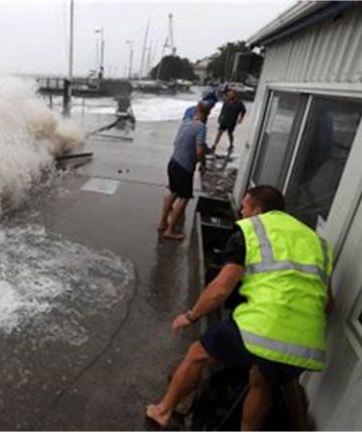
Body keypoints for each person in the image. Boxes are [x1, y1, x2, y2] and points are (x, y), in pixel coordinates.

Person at [146, 185, 335, 430]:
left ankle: (162, 411)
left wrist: (190, 317)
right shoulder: (317, 243)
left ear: (257, 210)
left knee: (197, 354)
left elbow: (221, 289)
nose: (241, 212)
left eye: (244, 207)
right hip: (306, 345)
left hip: (262, 329)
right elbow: (329, 304)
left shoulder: (251, 231)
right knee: (262, 379)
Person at [158, 101, 210, 241]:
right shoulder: (201, 127)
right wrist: (203, 164)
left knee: (173, 193)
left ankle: (162, 223)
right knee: (184, 198)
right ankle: (169, 230)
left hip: (173, 162)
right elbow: (200, 151)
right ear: (208, 113)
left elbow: (176, 143)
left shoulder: (185, 123)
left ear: (195, 110)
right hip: (184, 167)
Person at [211, 89, 246, 157]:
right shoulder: (226, 100)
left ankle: (231, 144)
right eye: (229, 94)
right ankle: (214, 145)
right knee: (219, 132)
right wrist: (220, 117)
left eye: (231, 94)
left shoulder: (239, 103)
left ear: (235, 95)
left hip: (232, 121)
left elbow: (243, 111)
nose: (229, 95)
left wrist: (241, 118)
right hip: (224, 120)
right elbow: (223, 109)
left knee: (230, 134)